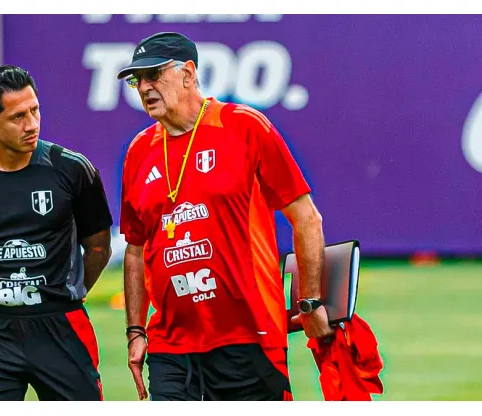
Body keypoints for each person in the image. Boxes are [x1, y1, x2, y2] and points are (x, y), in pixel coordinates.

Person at [116, 32, 334, 401]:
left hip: (249, 339)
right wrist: (136, 331)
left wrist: (309, 302)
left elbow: (307, 219)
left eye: (155, 75)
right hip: (172, 347)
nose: (145, 87)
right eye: (139, 80)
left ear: (188, 73)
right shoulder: (139, 151)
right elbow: (135, 250)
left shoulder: (244, 126)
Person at [0, 65, 113, 401]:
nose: (31, 125)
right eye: (17, 117)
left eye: (35, 110)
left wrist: (65, 291)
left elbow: (99, 248)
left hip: (62, 329)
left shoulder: (73, 170)